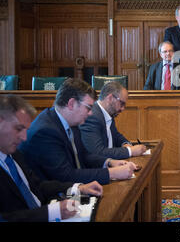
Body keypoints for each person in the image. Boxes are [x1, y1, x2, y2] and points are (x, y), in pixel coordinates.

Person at [0, 94, 103, 222]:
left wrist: (77, 188)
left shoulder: (14, 154)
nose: (24, 137)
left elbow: (37, 186)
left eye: (25, 130)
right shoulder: (42, 132)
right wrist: (51, 212)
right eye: (18, 129)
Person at [20, 78, 137, 185]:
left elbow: (84, 155)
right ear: (71, 104)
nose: (91, 113)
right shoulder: (46, 131)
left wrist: (109, 162)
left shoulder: (72, 121)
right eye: (88, 107)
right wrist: (112, 173)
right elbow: (66, 175)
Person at [79, 81, 147, 159]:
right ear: (110, 98)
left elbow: (116, 135)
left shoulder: (109, 113)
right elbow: (97, 153)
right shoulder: (92, 116)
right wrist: (130, 151)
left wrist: (125, 144)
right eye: (122, 104)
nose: (123, 109)